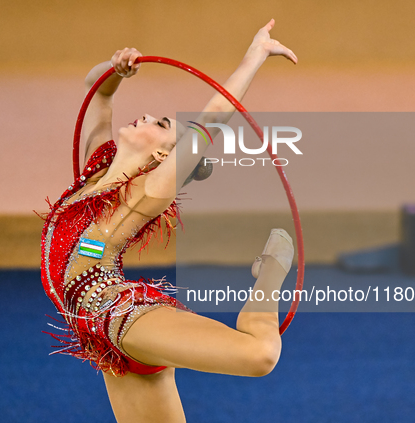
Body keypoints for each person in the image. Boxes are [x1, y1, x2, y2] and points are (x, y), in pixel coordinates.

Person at [41, 19, 297, 423]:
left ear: (165, 158)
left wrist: (256, 55)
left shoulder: (147, 191)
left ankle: (272, 270)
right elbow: (97, 94)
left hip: (120, 315)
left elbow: (212, 117)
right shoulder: (96, 167)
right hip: (99, 333)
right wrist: (115, 69)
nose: (146, 116)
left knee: (260, 354)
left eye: (162, 125)